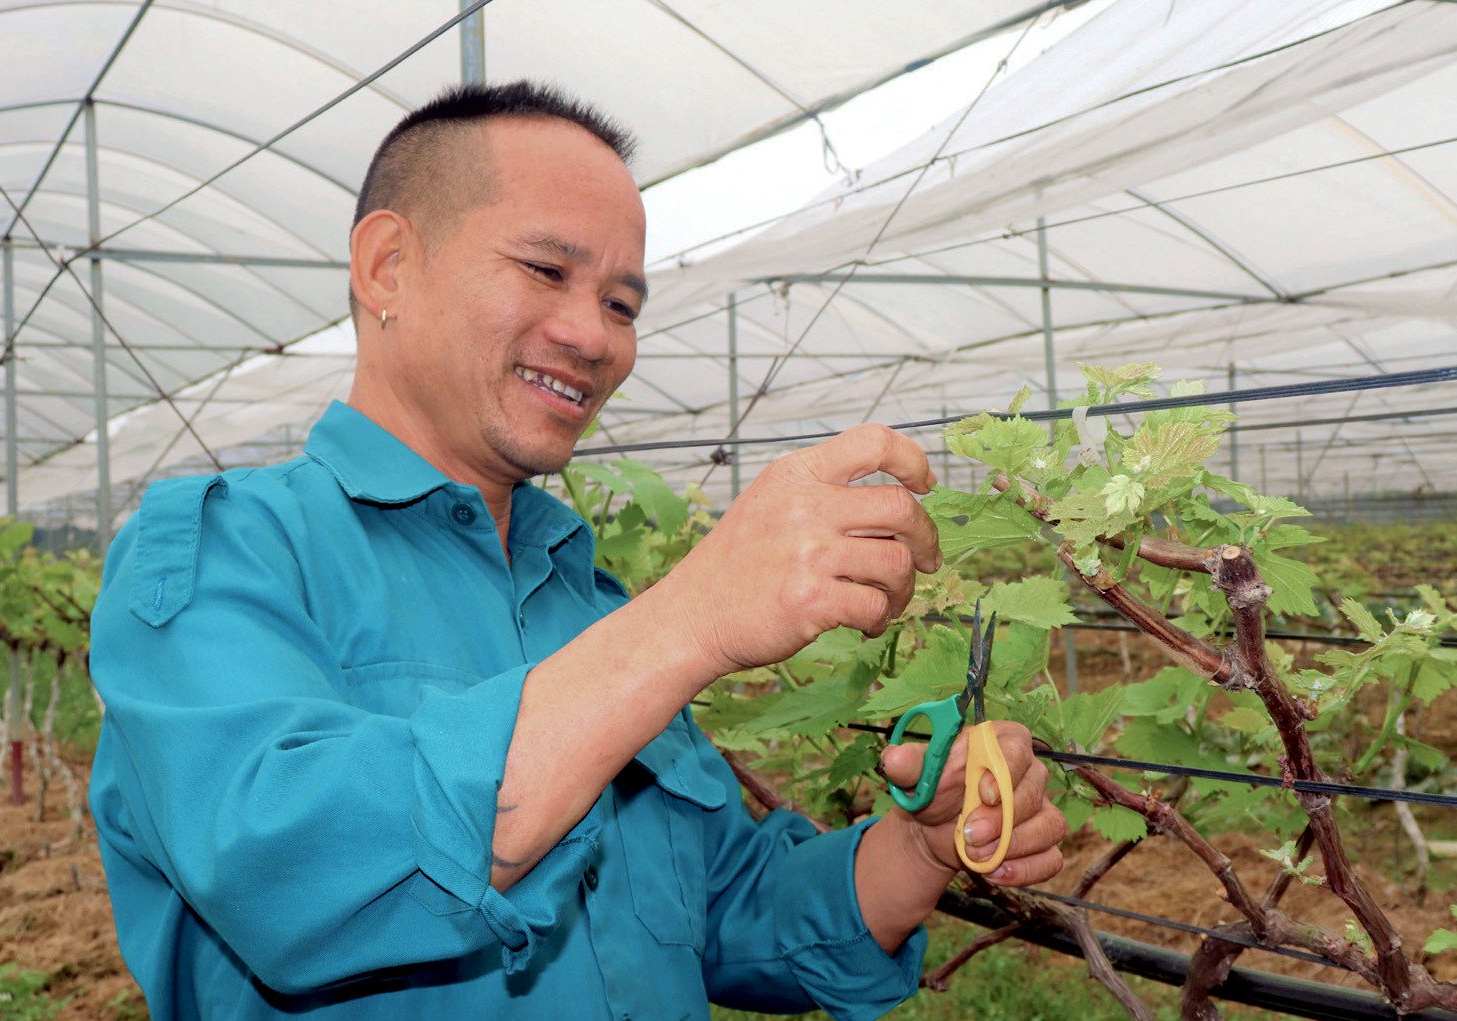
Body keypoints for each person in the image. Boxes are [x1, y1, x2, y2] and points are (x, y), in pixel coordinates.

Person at [88, 80, 1065, 1019]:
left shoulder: (585, 604)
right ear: (388, 266)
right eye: (547, 271)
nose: (593, 336)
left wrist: (924, 845)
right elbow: (286, 877)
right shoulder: (226, 553)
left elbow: (726, 911)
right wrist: (692, 614)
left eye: (623, 304)